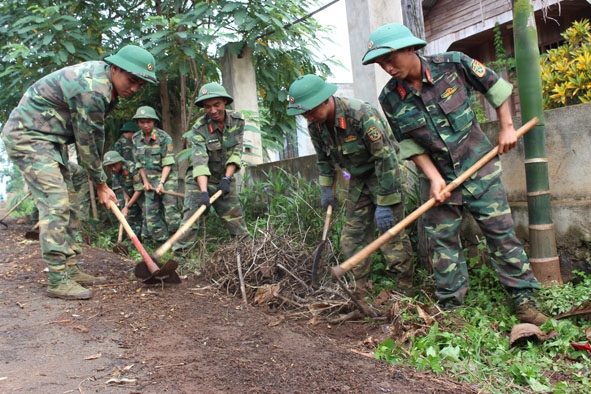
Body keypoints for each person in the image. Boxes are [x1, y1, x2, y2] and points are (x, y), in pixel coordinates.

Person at [362, 23, 549, 325]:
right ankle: (452, 310)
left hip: (480, 167)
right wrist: (435, 178)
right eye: (380, 63)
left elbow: (496, 88)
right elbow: (410, 143)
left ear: (410, 49)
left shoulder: (454, 64)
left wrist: (506, 127)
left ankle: (524, 300)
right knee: (443, 243)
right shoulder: (390, 99)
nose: (386, 67)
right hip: (437, 178)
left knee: (501, 235)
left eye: (390, 58)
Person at [1, 44, 158, 299]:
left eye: (140, 84)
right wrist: (101, 184)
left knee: (73, 188)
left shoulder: (105, 86)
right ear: (115, 67)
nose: (134, 88)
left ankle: (71, 266)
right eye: (132, 80)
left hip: (51, 141)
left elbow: (95, 135)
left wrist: (98, 182)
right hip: (29, 137)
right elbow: (88, 142)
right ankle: (57, 277)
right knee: (57, 201)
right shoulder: (92, 88)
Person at [286, 74, 415, 293]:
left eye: (310, 110)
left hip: (385, 175)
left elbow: (386, 158)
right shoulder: (316, 126)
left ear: (325, 100)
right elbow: (324, 160)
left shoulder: (360, 114)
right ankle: (360, 290)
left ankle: (404, 293)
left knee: (390, 236)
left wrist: (385, 202)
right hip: (358, 180)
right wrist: (327, 188)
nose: (308, 117)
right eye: (303, 113)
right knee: (351, 237)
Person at [172, 83, 248, 260]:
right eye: (207, 106)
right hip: (199, 181)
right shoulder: (199, 128)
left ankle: (248, 261)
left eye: (216, 104)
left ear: (224, 102)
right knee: (190, 222)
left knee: (236, 222)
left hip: (224, 178)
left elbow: (237, 151)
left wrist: (227, 179)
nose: (213, 110)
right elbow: (200, 161)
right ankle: (178, 263)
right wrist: (204, 193)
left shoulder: (238, 121)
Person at [131, 105, 181, 243]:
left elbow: (168, 162)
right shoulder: (136, 138)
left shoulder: (164, 138)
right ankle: (164, 244)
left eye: (148, 121)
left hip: (167, 178)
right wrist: (145, 182)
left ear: (154, 121)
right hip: (149, 180)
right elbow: (139, 164)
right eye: (142, 122)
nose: (145, 125)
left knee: (171, 214)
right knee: (151, 218)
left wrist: (162, 183)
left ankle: (180, 244)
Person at [103, 150, 144, 237]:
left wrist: (127, 206)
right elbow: (122, 184)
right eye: (110, 167)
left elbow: (139, 190)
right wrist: (126, 196)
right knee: (131, 217)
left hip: (142, 195)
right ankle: (133, 242)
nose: (112, 168)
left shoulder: (131, 168)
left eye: (114, 165)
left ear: (120, 161)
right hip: (130, 195)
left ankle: (149, 242)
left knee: (147, 217)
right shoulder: (115, 171)